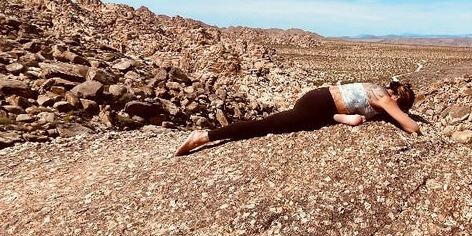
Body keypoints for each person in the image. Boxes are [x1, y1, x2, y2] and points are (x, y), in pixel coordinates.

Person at [174, 81, 420, 156]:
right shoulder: (384, 97)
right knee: (265, 125)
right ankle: (203, 136)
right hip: (319, 104)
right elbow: (411, 127)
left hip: (323, 106)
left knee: (347, 120)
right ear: (398, 98)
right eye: (403, 105)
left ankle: (339, 119)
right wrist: (403, 117)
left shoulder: (376, 90)